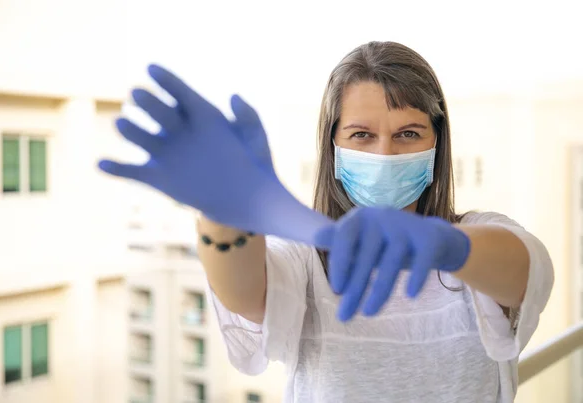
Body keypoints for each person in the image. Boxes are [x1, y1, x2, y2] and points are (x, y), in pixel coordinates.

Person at [99, 41, 554, 403]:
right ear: (333, 145)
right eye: (361, 135)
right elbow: (242, 293)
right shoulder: (304, 256)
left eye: (408, 134)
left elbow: (527, 270)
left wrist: (444, 245)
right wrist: (224, 214)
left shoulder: (480, 235)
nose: (384, 153)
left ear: (438, 146)